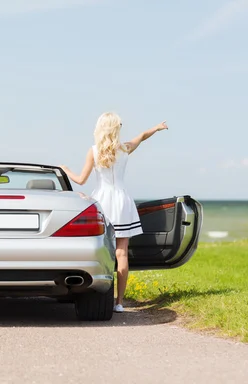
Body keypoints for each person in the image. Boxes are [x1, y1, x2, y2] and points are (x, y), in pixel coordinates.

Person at [60, 112, 168, 313]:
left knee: (101, 250)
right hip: (122, 200)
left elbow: (81, 180)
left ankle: (98, 295)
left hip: (102, 201)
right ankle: (120, 303)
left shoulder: (93, 151)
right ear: (116, 128)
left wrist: (66, 170)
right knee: (122, 253)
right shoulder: (125, 148)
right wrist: (157, 128)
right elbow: (142, 136)